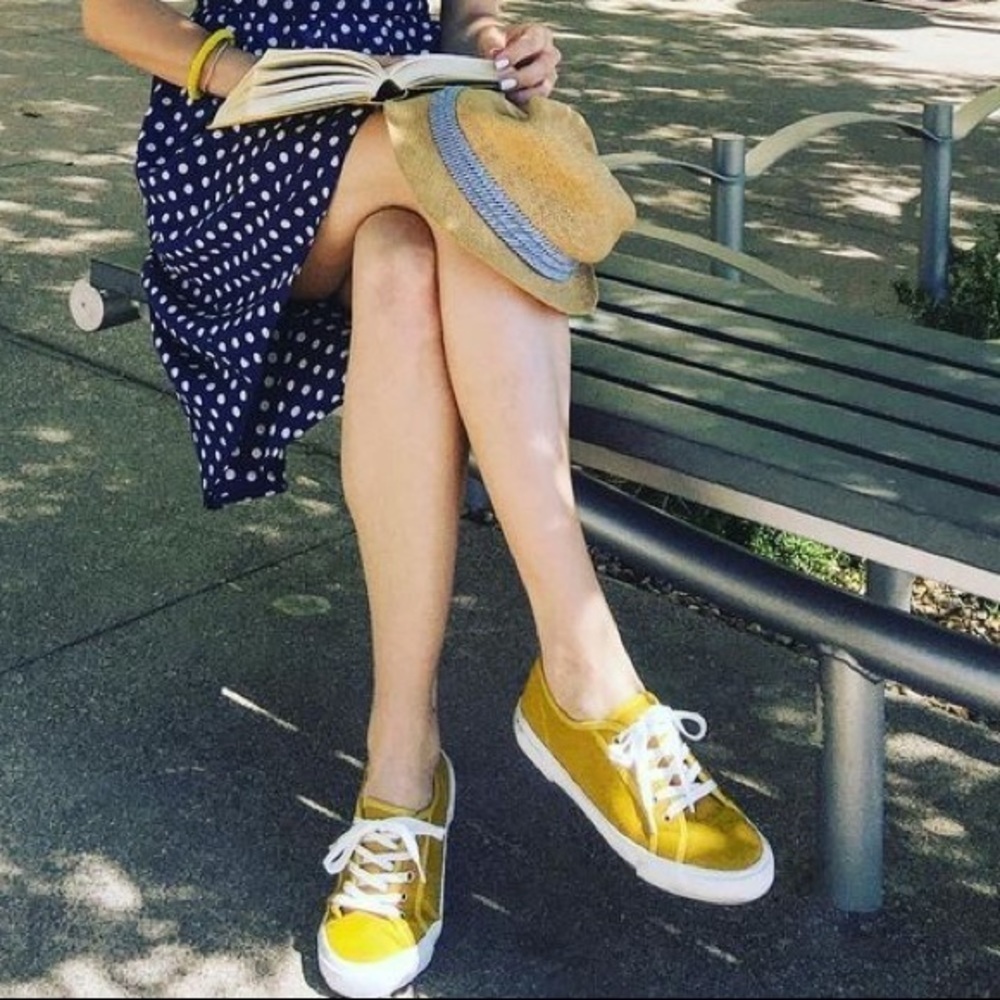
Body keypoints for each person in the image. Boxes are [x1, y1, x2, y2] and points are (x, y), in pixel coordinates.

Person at [81, 1, 775, 996]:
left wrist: (497, 43)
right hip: (238, 147)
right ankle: (588, 680)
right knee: (477, 174)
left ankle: (400, 772)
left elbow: (461, 10)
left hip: (406, 128)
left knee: (409, 259)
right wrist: (239, 70)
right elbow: (106, 13)